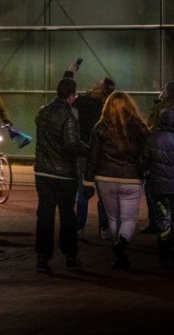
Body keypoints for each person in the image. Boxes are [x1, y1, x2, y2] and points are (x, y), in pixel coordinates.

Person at [81, 89, 149, 270]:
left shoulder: (100, 127)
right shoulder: (139, 127)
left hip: (105, 177)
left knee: (113, 217)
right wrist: (141, 169)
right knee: (129, 218)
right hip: (132, 178)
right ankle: (122, 242)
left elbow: (93, 157)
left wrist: (88, 182)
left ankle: (118, 251)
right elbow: (146, 154)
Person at [33, 73, 87, 273]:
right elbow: (72, 144)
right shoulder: (69, 116)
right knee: (67, 215)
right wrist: (88, 149)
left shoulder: (43, 112)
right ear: (71, 96)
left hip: (43, 172)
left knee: (45, 215)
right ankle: (70, 256)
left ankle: (42, 257)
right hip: (65, 175)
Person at [146, 106, 174, 267]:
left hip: (158, 186)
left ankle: (165, 253)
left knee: (162, 217)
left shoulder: (151, 139)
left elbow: (144, 161)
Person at [73, 76, 114, 239]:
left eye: (98, 84)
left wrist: (70, 72)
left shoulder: (84, 102)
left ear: (99, 89)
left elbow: (68, 93)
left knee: (83, 191)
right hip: (102, 154)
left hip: (85, 153)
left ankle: (79, 227)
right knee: (103, 193)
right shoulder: (108, 107)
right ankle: (104, 228)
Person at [143, 80, 174, 232]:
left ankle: (157, 222)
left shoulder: (159, 109)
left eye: (164, 89)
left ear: (168, 93)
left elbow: (150, 128)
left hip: (158, 152)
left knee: (154, 192)